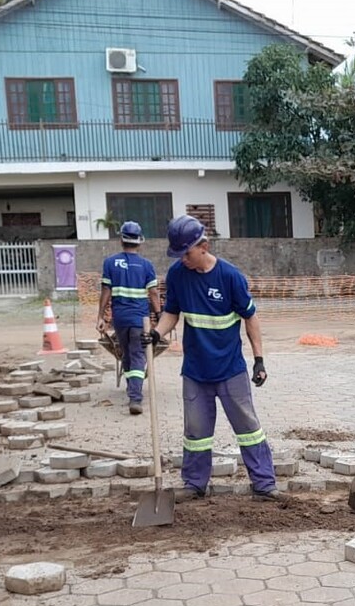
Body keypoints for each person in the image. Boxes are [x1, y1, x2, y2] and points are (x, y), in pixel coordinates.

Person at [145, 215, 281, 502]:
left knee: (248, 428)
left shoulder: (231, 277)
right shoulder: (178, 275)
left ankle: (264, 485)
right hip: (195, 371)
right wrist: (157, 334)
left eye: (187, 253)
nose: (183, 259)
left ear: (203, 246)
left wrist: (259, 360)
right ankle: (194, 484)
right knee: (195, 431)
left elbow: (250, 317)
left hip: (230, 370)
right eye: (179, 254)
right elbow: (172, 312)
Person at [97, 220, 161, 415]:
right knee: (138, 355)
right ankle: (136, 398)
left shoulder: (110, 263)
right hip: (140, 319)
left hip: (120, 319)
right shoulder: (146, 265)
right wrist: (159, 315)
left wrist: (100, 316)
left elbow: (106, 291)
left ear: (121, 240)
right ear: (139, 241)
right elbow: (154, 293)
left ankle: (132, 389)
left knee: (125, 353)